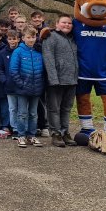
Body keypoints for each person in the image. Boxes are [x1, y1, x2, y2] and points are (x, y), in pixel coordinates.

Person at [41, 14, 78, 147]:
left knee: (66, 108)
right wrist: (53, 79)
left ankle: (65, 132)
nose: (67, 25)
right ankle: (55, 133)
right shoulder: (51, 37)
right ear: (57, 24)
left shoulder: (73, 39)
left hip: (72, 80)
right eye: (64, 23)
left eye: (69, 23)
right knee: (54, 109)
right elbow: (48, 58)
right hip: (56, 81)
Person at [8, 26, 45, 148]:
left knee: (33, 113)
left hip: (36, 88)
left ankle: (31, 135)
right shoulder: (18, 51)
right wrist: (22, 84)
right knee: (22, 113)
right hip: (23, 89)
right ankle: (21, 135)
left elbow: (43, 70)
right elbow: (13, 70)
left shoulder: (38, 51)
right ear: (23, 38)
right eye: (28, 37)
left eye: (33, 37)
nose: (31, 39)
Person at [0, 30, 20, 138]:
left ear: (18, 39)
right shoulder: (2, 53)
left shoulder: (21, 51)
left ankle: (22, 128)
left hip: (22, 86)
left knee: (23, 108)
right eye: (10, 39)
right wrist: (4, 80)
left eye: (14, 39)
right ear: (7, 40)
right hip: (9, 85)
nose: (12, 41)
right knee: (12, 108)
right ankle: (14, 128)